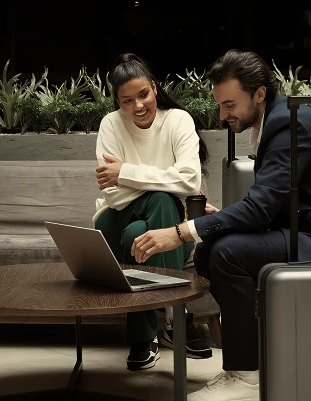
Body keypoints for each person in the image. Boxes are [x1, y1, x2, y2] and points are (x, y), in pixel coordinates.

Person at [130, 49, 311, 400]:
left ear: (259, 93)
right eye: (219, 105)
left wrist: (181, 232)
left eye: (230, 104)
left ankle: (247, 376)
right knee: (208, 253)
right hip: (306, 231)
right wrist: (215, 223)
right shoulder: (273, 119)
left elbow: (261, 209)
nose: (223, 114)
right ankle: (250, 361)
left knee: (228, 253)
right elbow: (270, 205)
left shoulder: (288, 122)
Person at [92, 53, 214, 371]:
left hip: (167, 226)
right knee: (160, 198)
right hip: (112, 220)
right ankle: (177, 321)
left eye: (143, 94)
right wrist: (170, 181)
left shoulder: (177, 121)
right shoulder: (111, 125)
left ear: (155, 89)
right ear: (118, 101)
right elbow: (113, 194)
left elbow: (190, 178)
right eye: (126, 100)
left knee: (144, 224)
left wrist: (125, 172)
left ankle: (144, 337)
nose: (138, 106)